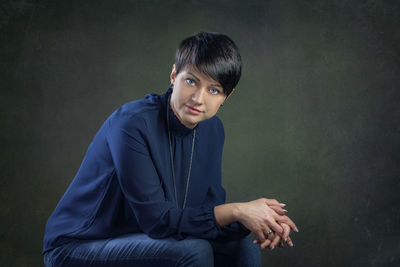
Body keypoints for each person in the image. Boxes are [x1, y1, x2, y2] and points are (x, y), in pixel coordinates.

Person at [43, 32, 298, 267]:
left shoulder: (212, 130)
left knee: (240, 245)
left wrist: (258, 221)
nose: (198, 98)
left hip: (146, 239)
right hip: (77, 246)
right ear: (174, 76)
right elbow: (157, 221)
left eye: (213, 90)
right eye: (191, 81)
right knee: (193, 251)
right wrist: (238, 210)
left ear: (226, 97)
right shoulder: (132, 124)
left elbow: (203, 216)